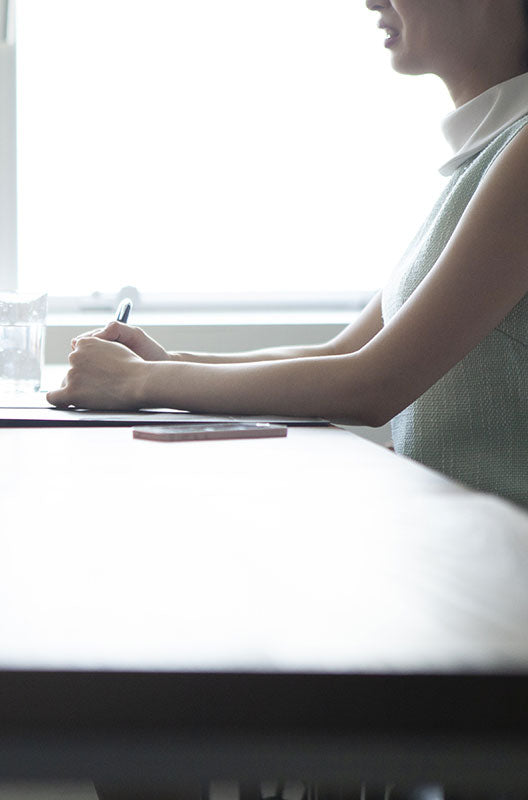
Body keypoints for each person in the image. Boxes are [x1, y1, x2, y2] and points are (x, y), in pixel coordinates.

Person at [48, 0, 528, 511]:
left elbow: (374, 384)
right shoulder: (487, 156)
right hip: (466, 535)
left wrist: (137, 380)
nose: (371, 1)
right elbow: (339, 353)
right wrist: (166, 363)